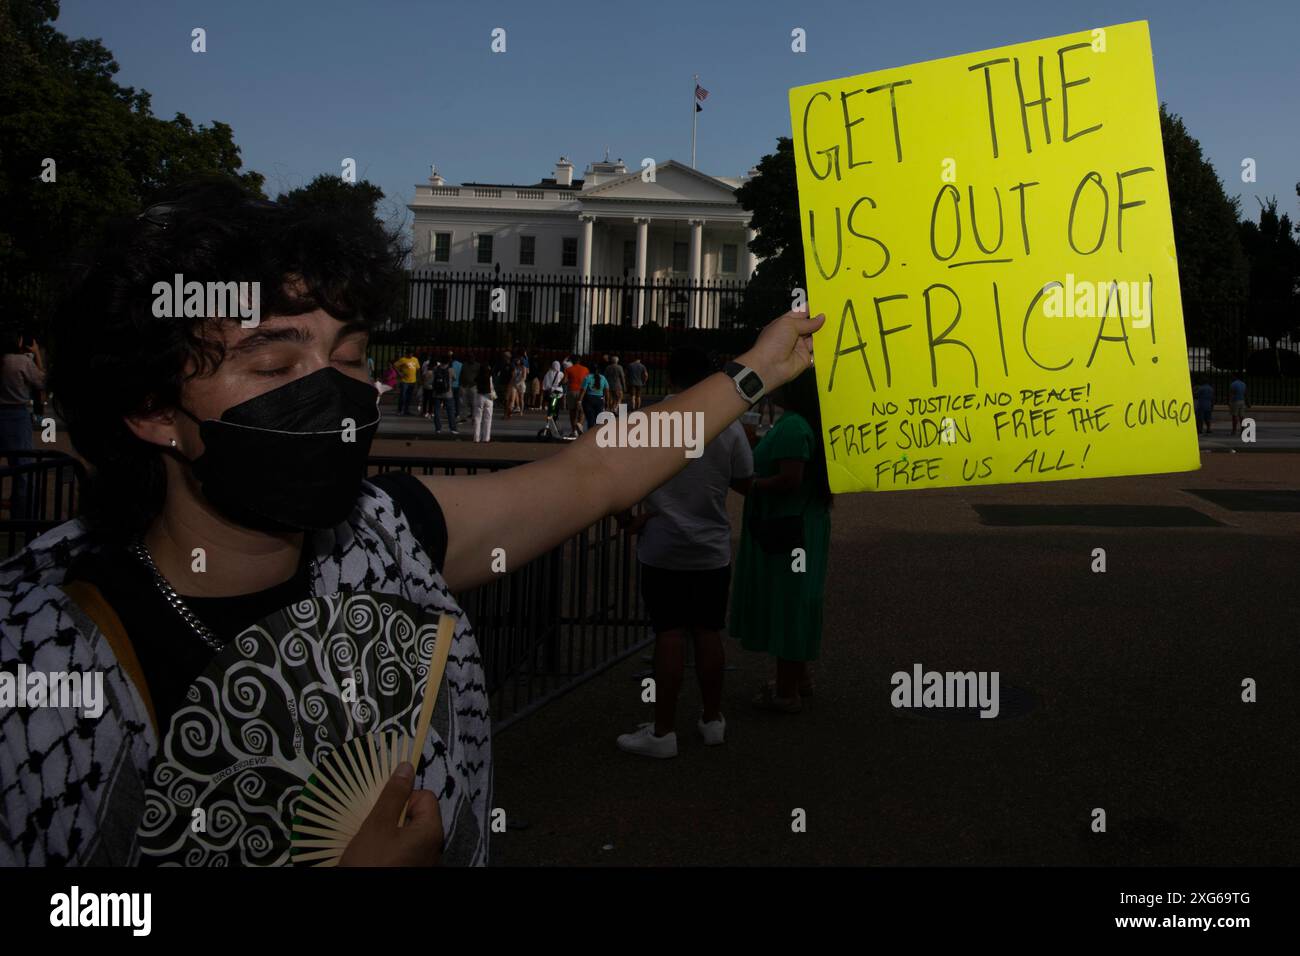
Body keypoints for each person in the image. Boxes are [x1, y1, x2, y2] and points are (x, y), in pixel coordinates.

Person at [0, 180, 818, 869]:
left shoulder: (388, 537)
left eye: (350, 357)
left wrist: (756, 370)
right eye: (276, 365)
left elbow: (596, 471)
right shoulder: (43, 666)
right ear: (151, 410)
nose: (332, 394)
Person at [616, 348, 752, 757]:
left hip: (663, 544)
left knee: (669, 633)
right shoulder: (727, 424)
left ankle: (663, 732)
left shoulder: (646, 421)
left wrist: (629, 522)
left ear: (670, 377)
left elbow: (619, 484)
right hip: (710, 545)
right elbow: (745, 483)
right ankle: (712, 720)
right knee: (708, 631)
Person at [730, 367, 832, 713]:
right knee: (796, 598)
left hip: (788, 527)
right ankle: (798, 678)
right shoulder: (801, 424)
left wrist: (750, 485)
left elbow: (790, 479)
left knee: (788, 600)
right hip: (802, 525)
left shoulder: (793, 426)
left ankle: (786, 692)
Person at [0, 329, 45, 519]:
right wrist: (37, 354)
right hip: (17, 416)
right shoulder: (21, 361)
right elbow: (42, 381)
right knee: (23, 467)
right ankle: (22, 515)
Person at [578, 359, 609, 431]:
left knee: (590, 419)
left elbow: (583, 390)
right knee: (599, 419)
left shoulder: (587, 377)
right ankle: (597, 434)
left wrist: (579, 400)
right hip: (599, 399)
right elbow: (607, 390)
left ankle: (590, 433)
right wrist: (607, 401)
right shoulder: (603, 378)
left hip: (589, 399)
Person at [431, 353, 458, 435]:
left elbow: (433, 380)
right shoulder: (451, 369)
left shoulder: (435, 369)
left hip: (436, 393)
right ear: (449, 361)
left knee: (437, 411)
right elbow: (454, 378)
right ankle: (452, 428)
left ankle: (438, 429)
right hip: (448, 393)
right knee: (450, 411)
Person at [564, 355, 589, 436]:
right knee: (582, 411)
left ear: (572, 362)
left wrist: (560, 383)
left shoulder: (568, 369)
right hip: (582, 392)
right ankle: (580, 424)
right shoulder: (585, 369)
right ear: (580, 361)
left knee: (572, 411)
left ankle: (574, 430)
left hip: (571, 391)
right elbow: (587, 381)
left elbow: (565, 380)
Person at [473, 359, 496, 443]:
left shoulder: (478, 376)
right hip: (488, 397)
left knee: (477, 418)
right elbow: (492, 386)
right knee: (488, 418)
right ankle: (486, 438)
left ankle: (476, 438)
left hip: (479, 396)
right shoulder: (489, 375)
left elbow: (475, 384)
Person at [392, 350, 419, 415]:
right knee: (403, 396)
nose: (411, 355)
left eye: (412, 354)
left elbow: (418, 368)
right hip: (405, 381)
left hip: (413, 381)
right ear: (406, 354)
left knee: (409, 397)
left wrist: (417, 378)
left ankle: (406, 410)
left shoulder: (415, 359)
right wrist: (399, 373)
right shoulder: (403, 359)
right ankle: (400, 410)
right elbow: (394, 365)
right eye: (409, 354)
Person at [459, 354, 480, 424]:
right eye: (470, 357)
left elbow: (479, 375)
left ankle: (474, 418)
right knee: (464, 403)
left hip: (473, 386)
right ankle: (464, 417)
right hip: (465, 386)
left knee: (474, 403)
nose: (471, 359)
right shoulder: (464, 365)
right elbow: (461, 374)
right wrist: (461, 384)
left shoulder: (477, 365)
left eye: (472, 358)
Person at [419, 352, 436, 418]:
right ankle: (430, 412)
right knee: (431, 400)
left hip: (425, 386)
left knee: (425, 399)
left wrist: (422, 383)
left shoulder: (426, 371)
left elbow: (423, 377)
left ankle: (424, 412)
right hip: (432, 387)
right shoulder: (435, 371)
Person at [448, 352, 462, 422]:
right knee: (457, 400)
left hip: (450, 385)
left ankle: (451, 413)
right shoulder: (461, 365)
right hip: (458, 385)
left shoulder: (450, 365)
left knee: (450, 400)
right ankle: (457, 413)